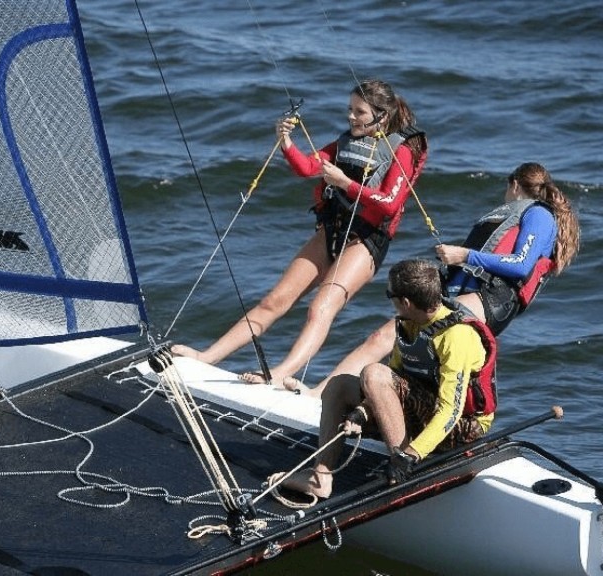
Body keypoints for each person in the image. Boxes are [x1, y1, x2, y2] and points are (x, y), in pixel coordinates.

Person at [173, 79, 428, 385]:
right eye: (349, 109)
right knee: (274, 300)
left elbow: (389, 204)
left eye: (359, 112)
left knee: (321, 307)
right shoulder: (346, 142)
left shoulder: (402, 151)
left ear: (381, 116)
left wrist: (345, 184)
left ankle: (280, 375)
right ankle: (206, 357)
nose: (351, 117)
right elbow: (308, 168)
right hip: (332, 229)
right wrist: (287, 143)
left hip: (366, 240)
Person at [286, 161, 581, 397]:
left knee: (396, 340)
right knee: (390, 341)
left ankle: (322, 395)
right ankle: (327, 395)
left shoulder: (539, 215)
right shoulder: (516, 214)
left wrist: (464, 256)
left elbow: (520, 265)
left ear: (514, 184)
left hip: (490, 299)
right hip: (468, 293)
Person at [277, 258, 497, 499]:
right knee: (339, 385)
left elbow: (450, 411)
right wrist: (361, 413)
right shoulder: (408, 322)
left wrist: (410, 456)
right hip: (421, 411)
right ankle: (320, 478)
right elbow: (393, 381)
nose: (389, 300)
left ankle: (402, 470)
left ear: (405, 302)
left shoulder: (457, 337)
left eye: (389, 294)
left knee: (373, 372)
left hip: (461, 428)